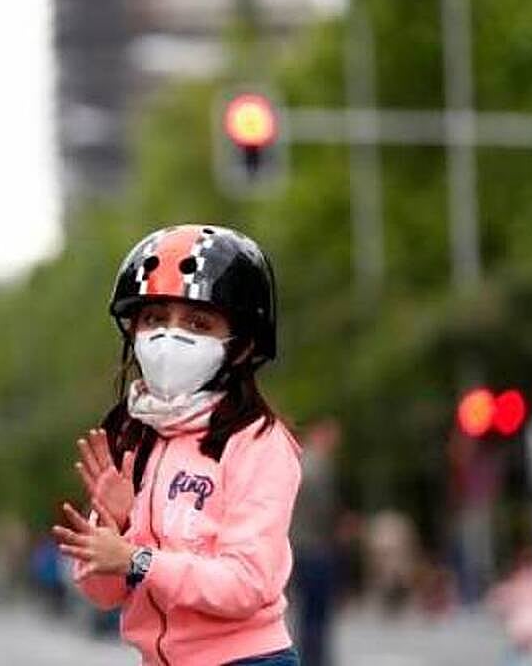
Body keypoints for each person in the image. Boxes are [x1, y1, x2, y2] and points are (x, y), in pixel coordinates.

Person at [51, 224, 303, 665]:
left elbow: (248, 584)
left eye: (198, 323)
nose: (169, 337)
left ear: (241, 346)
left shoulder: (257, 442)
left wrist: (137, 558)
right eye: (154, 319)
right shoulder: (133, 436)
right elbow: (103, 594)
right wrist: (115, 526)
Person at [289, 419, 340, 666]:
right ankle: (315, 659)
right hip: (315, 546)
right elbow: (324, 511)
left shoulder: (299, 462)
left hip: (299, 545)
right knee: (317, 611)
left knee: (306, 611)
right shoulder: (318, 467)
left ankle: (308, 657)